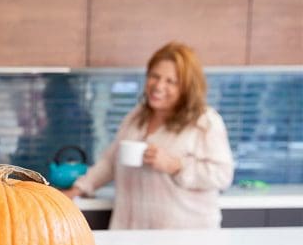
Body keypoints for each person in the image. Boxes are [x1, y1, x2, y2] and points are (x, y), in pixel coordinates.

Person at [63, 41, 234, 229]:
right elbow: (110, 162)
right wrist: (77, 189)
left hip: (184, 236)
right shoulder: (136, 117)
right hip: (131, 230)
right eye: (155, 76)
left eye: (171, 81)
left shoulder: (204, 122)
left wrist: (176, 165)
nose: (158, 86)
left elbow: (222, 175)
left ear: (187, 87)